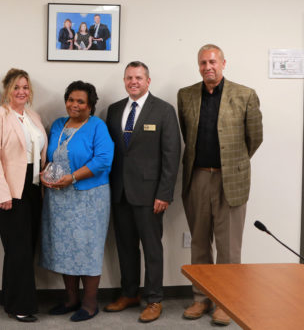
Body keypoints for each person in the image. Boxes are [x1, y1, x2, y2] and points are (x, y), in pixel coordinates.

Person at [178, 44, 263, 326]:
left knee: (228, 247)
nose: (207, 67)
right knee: (199, 243)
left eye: (212, 62)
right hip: (198, 176)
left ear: (223, 63)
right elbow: (186, 134)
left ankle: (226, 302)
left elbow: (255, 138)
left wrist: (233, 162)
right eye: (202, 63)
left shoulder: (245, 94)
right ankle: (200, 298)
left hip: (231, 179)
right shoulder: (186, 95)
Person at [104, 61, 181, 323]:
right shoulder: (114, 110)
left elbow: (172, 156)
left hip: (150, 195)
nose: (133, 82)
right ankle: (129, 293)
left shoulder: (163, 111)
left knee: (151, 248)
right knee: (125, 247)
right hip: (120, 192)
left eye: (138, 77)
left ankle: (154, 299)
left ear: (148, 81)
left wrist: (165, 193)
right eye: (129, 78)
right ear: (124, 81)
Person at [40, 81, 114, 322]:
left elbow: (103, 160)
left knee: (87, 249)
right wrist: (45, 173)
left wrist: (71, 178)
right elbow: (52, 156)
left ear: (91, 105)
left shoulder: (97, 126)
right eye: (71, 99)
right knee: (64, 247)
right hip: (59, 198)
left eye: (81, 101)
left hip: (89, 198)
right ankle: (71, 299)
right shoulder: (58, 125)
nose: (75, 105)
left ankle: (90, 303)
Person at [0, 68, 47, 322]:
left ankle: (10, 299)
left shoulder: (33, 115)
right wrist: (3, 193)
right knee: (18, 247)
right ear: (7, 90)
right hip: (8, 188)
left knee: (25, 247)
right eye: (16, 87)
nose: (21, 92)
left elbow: (37, 152)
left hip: (32, 187)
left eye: (25, 87)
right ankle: (22, 305)